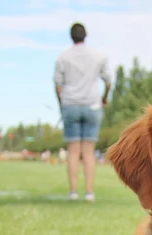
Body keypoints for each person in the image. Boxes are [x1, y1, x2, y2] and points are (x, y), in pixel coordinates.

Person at [54, 23, 112, 202]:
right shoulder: (98, 56)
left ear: (71, 36)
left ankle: (73, 192)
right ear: (85, 35)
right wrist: (104, 97)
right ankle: (88, 192)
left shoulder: (62, 57)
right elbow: (108, 81)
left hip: (70, 105)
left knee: (73, 152)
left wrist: (62, 105)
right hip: (92, 105)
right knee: (88, 152)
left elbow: (58, 87)